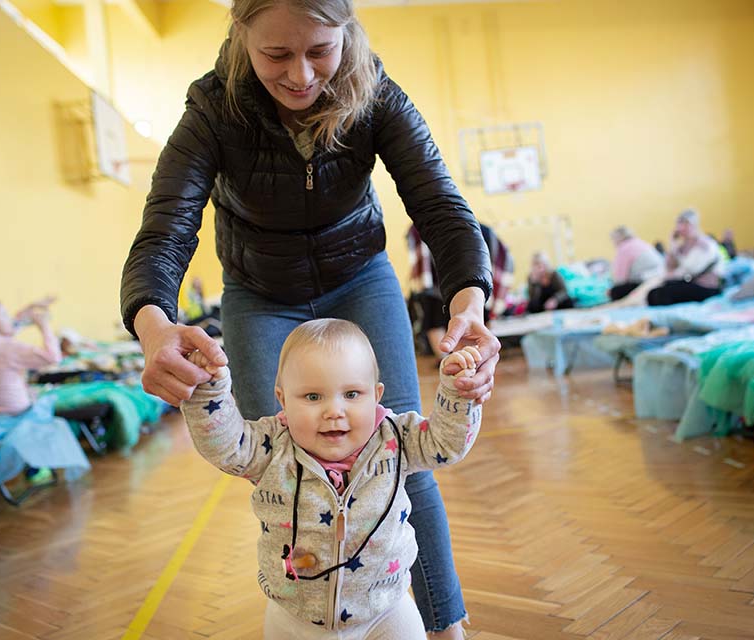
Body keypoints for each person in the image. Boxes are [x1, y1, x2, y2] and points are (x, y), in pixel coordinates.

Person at [120, 0, 500, 635]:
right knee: (281, 456)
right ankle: (312, 614)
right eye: (276, 54)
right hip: (258, 290)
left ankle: (444, 627)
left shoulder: (375, 91)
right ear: (242, 36)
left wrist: (469, 302)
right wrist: (154, 324)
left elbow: (439, 203)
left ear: (346, 33)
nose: (300, 75)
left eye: (319, 51)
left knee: (399, 452)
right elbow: (165, 228)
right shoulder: (214, 108)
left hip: (361, 276)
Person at [183, 319, 482, 637]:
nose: (334, 410)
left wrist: (457, 394)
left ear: (375, 396)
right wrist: (208, 388)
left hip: (385, 612)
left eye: (352, 394)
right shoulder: (271, 447)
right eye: (313, 397)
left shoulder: (396, 438)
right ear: (283, 400)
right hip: (294, 618)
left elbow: (445, 444)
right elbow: (225, 446)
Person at [407, 223, 513, 356]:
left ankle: (459, 359)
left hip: (458, 282)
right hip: (469, 281)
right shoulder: (477, 229)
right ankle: (469, 358)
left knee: (438, 322)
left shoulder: (421, 227)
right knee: (470, 319)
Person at [0, 298, 62, 417]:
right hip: (14, 411)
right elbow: (54, 358)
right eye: (5, 315)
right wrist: (44, 326)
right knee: (43, 397)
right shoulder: (8, 347)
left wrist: (31, 306)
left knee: (31, 391)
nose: (10, 319)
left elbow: (14, 325)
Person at [646, 209, 725, 306]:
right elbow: (669, 266)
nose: (682, 228)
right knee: (653, 293)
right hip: (689, 283)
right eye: (680, 224)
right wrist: (672, 243)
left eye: (686, 224)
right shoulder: (683, 246)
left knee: (660, 294)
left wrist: (669, 275)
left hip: (707, 287)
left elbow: (690, 270)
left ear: (694, 225)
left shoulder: (705, 244)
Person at [608, 225, 664, 301]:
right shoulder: (639, 242)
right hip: (661, 277)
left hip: (648, 281)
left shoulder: (624, 248)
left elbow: (620, 278)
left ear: (618, 237)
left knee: (615, 291)